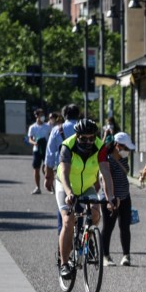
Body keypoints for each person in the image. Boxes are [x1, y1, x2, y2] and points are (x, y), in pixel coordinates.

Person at [55, 118, 116, 279]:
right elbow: (64, 174)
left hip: (87, 186)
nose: (88, 141)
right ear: (77, 136)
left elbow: (105, 173)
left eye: (91, 137)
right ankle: (64, 264)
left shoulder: (99, 146)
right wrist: (69, 193)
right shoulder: (67, 146)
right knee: (68, 221)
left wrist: (110, 197)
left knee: (96, 214)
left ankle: (88, 238)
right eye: (84, 138)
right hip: (66, 185)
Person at [100, 132, 136, 266]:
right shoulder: (105, 159)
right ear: (117, 145)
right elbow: (104, 179)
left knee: (125, 227)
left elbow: (126, 171)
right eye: (125, 148)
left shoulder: (122, 158)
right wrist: (111, 198)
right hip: (110, 199)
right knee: (108, 227)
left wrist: (118, 159)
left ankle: (126, 255)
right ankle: (105, 256)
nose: (127, 151)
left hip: (125, 197)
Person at [45, 104, 81, 193]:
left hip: (62, 170)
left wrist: (48, 177)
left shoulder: (57, 130)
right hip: (82, 170)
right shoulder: (83, 129)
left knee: (64, 203)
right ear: (78, 115)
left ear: (64, 115)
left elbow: (50, 154)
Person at [26, 109, 52, 195]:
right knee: (36, 169)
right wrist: (35, 143)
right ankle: (37, 187)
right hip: (37, 150)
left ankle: (50, 186)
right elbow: (30, 139)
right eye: (40, 115)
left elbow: (51, 136)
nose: (42, 117)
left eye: (43, 115)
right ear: (36, 116)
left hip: (46, 150)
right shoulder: (32, 127)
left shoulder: (48, 126)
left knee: (46, 168)